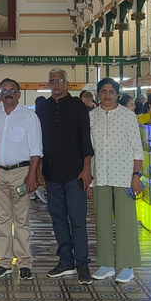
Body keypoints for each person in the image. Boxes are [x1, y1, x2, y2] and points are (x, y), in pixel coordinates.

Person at [0, 78, 42, 280]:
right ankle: (5, 262)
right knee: (3, 219)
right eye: (4, 90)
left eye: (11, 90)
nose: (8, 94)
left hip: (21, 175)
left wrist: (31, 176)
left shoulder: (29, 117)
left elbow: (35, 150)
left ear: (18, 94)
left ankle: (24, 262)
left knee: (21, 219)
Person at [37, 69, 94, 285]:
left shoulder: (78, 107)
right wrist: (38, 168)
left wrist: (86, 167)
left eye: (59, 81)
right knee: (58, 218)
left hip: (75, 173)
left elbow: (85, 140)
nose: (56, 84)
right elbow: (37, 140)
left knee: (77, 219)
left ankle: (82, 263)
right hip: (51, 173)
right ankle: (65, 260)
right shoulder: (43, 108)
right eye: (52, 81)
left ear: (67, 83)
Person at [89, 78, 143, 283]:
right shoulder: (91, 117)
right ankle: (106, 264)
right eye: (103, 91)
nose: (107, 95)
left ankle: (127, 265)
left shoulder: (128, 116)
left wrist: (136, 175)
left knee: (125, 221)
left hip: (124, 176)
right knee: (101, 220)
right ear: (98, 94)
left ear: (117, 94)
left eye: (111, 91)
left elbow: (137, 149)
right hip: (100, 174)